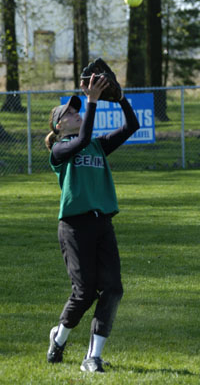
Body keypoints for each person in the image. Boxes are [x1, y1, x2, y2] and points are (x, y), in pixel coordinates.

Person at [45, 73, 140, 373]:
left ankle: (93, 357)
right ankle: (58, 338)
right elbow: (82, 138)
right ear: (59, 127)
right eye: (70, 113)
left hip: (102, 224)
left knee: (113, 288)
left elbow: (132, 127)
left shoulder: (98, 146)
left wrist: (121, 97)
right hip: (74, 227)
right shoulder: (60, 151)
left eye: (77, 110)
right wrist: (92, 100)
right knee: (84, 292)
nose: (76, 113)